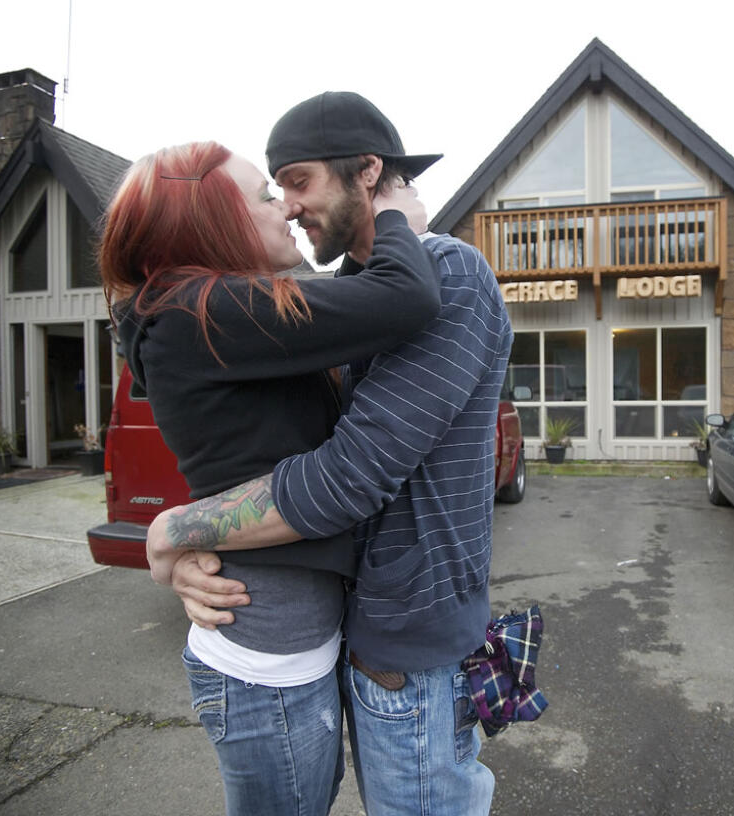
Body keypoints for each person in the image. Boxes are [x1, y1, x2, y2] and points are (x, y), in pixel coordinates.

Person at [146, 91, 511, 816]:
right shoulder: (344, 296)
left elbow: (348, 479)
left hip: (410, 657)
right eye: (275, 186)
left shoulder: (451, 275)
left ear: (368, 172)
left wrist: (177, 528)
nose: (287, 204)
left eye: (299, 179)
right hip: (349, 641)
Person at [99, 139, 441, 815]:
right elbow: (404, 298)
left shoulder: (216, 316)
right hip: (267, 666)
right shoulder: (199, 311)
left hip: (289, 651)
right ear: (208, 220)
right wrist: (393, 215)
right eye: (263, 194)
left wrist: (172, 531)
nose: (285, 208)